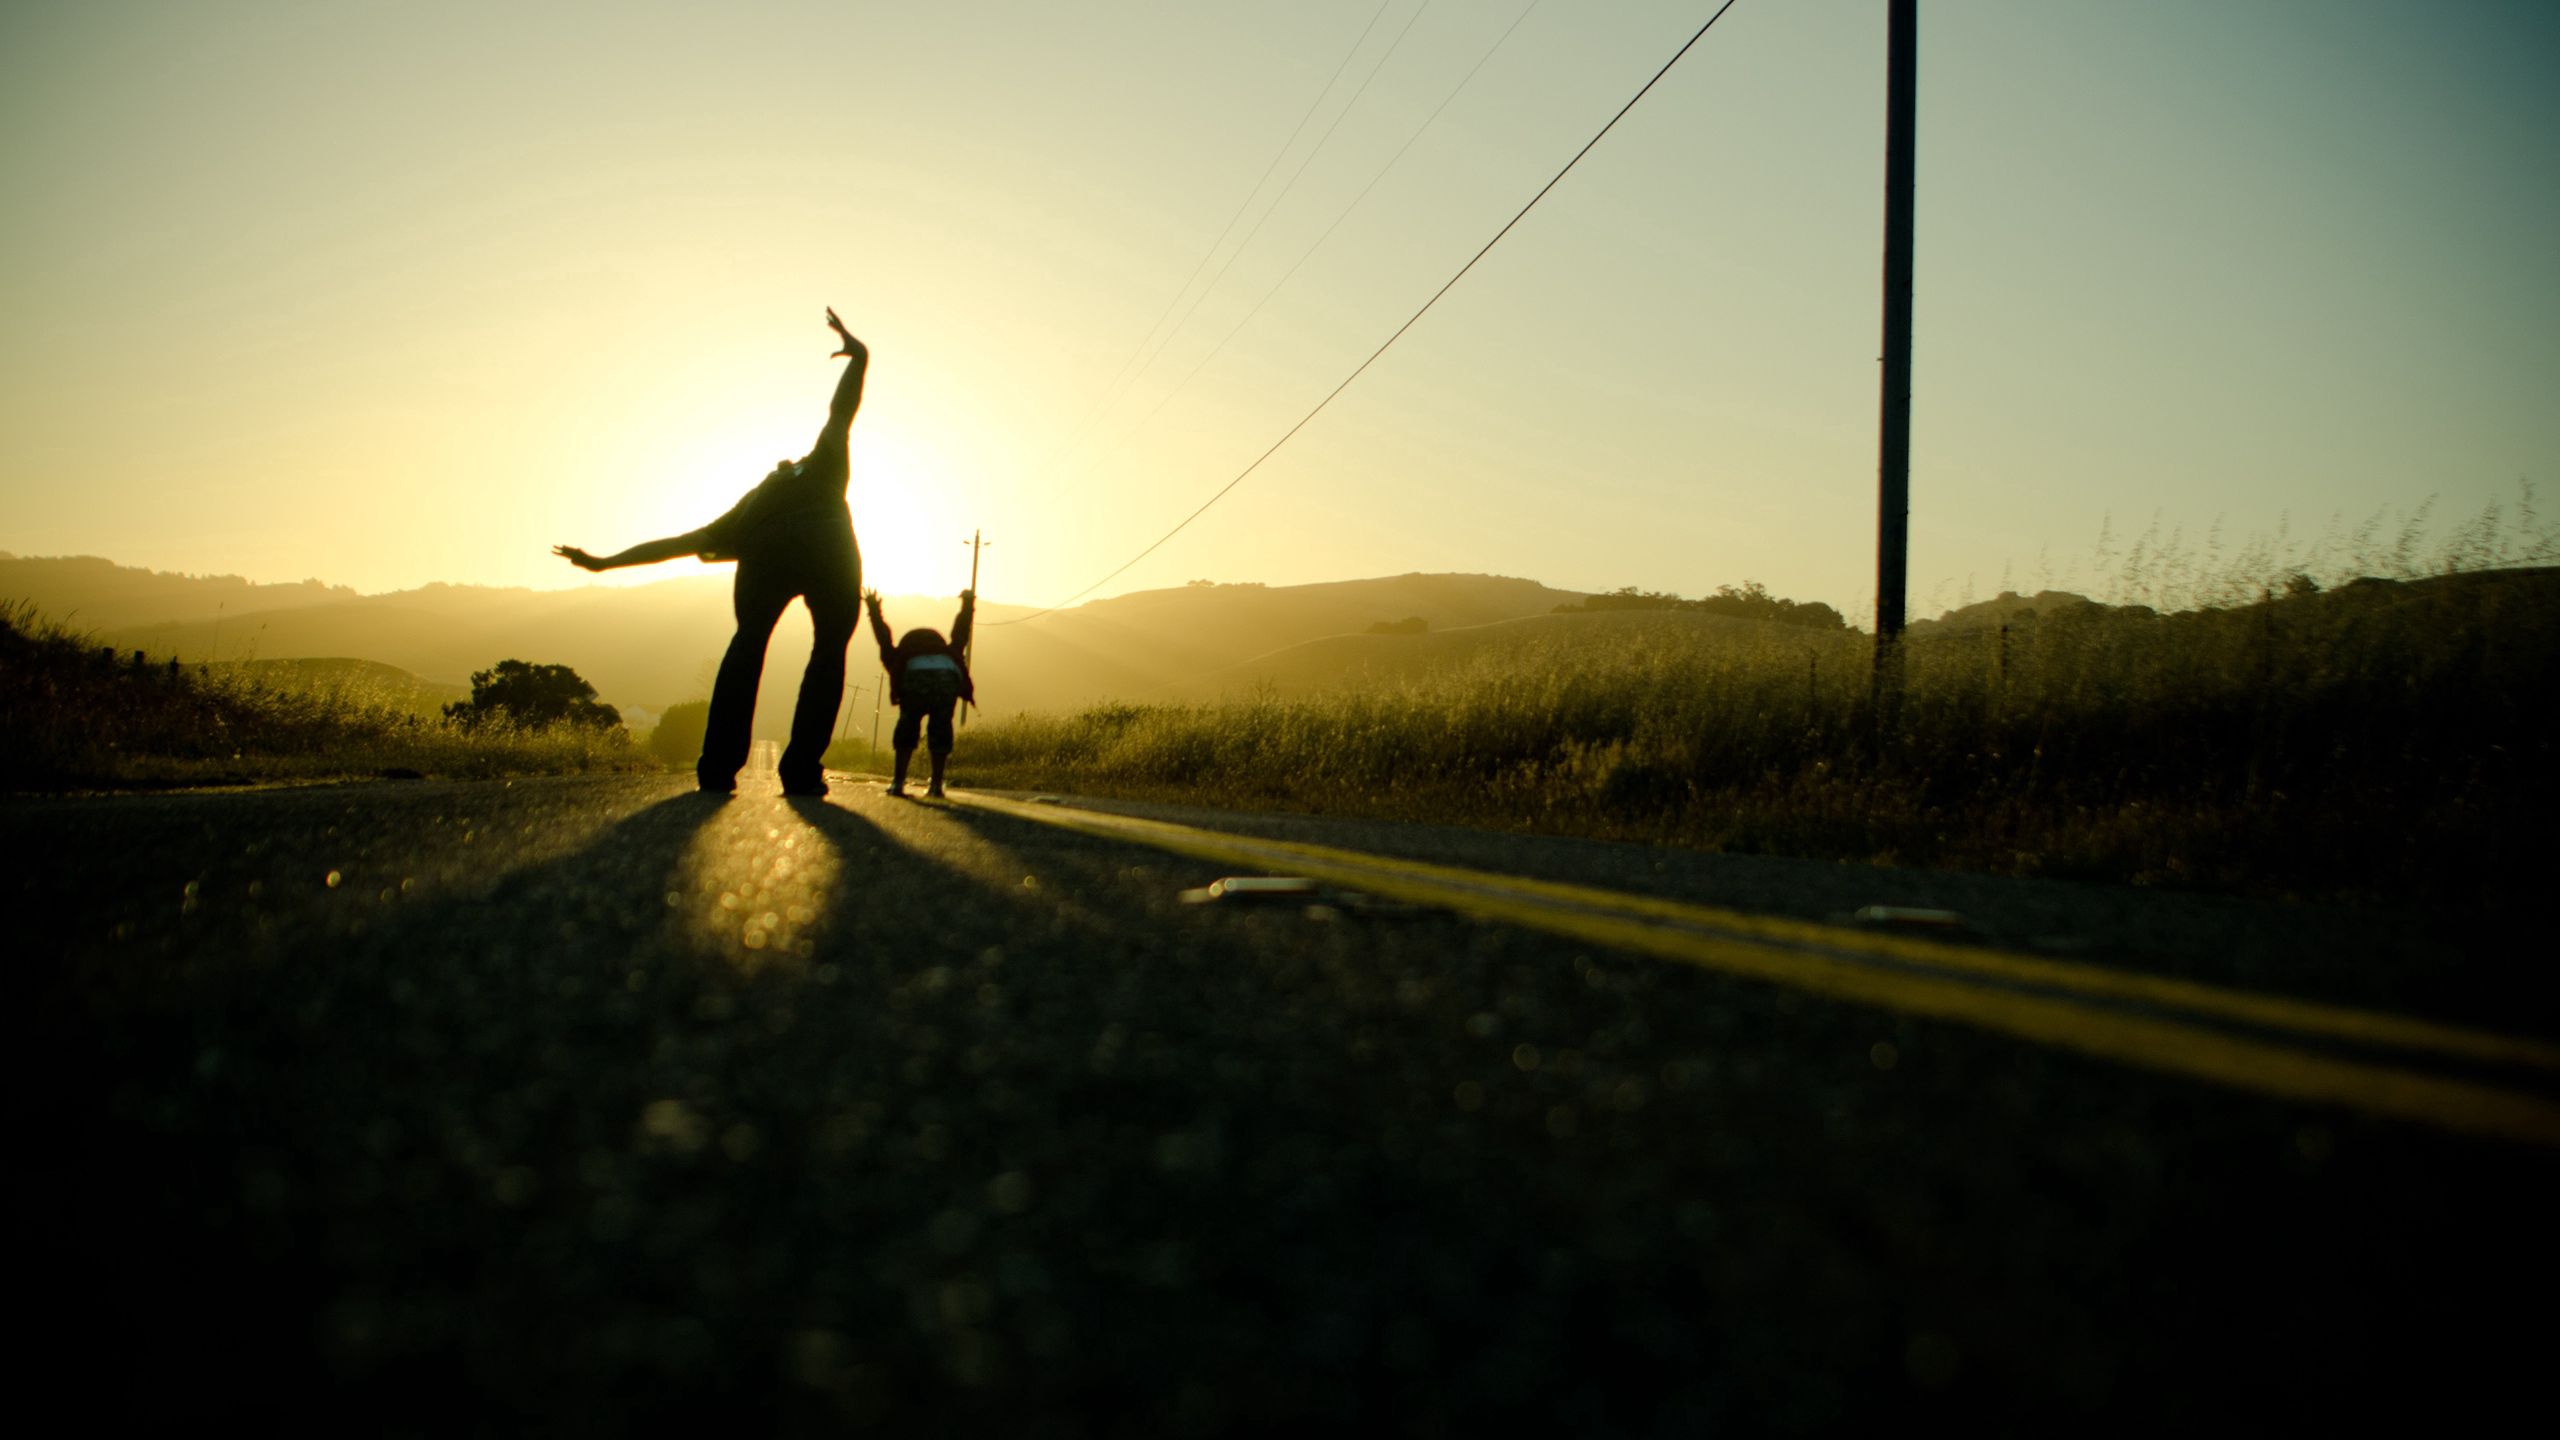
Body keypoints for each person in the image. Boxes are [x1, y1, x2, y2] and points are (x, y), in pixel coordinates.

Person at [555, 308, 868, 796]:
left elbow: (676, 545)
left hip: (765, 547)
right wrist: (859, 358)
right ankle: (801, 768)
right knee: (828, 651)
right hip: (828, 540)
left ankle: (718, 767)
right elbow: (841, 412)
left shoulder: (749, 506)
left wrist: (605, 562)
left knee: (747, 644)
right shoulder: (823, 465)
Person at [865, 588, 976, 798]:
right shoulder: (947, 651)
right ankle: (935, 785)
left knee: (907, 727)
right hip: (947, 677)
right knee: (941, 727)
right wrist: (968, 604)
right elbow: (961, 631)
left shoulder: (900, 655)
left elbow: (883, 636)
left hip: (914, 679)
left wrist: (873, 609)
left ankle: (898, 784)